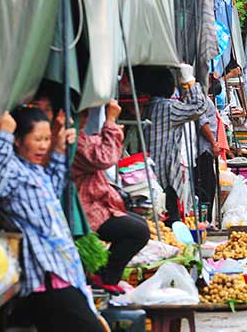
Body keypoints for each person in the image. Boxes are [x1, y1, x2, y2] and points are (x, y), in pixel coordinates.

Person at [0, 109, 104, 332]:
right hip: (47, 276)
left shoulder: (35, 170)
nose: (42, 146)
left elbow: (55, 185)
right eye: (37, 139)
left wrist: (59, 148)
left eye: (46, 139)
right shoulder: (11, 169)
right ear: (18, 141)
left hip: (64, 271)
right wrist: (4, 136)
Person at [72, 100, 149, 294]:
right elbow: (104, 157)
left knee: (138, 224)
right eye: (83, 114)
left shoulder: (77, 137)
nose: (86, 118)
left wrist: (110, 128)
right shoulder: (71, 140)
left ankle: (105, 274)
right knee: (138, 231)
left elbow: (96, 148)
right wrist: (111, 121)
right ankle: (105, 276)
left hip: (95, 203)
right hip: (84, 209)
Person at [144, 65, 207, 224]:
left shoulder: (149, 107)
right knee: (171, 219)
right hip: (164, 174)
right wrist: (190, 82)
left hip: (149, 173)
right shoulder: (168, 108)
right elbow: (199, 107)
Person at [195, 79, 222, 218]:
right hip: (203, 149)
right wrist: (213, 143)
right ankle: (204, 219)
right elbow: (202, 122)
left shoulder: (202, 97)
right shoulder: (200, 98)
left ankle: (206, 218)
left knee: (209, 185)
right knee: (206, 186)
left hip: (205, 148)